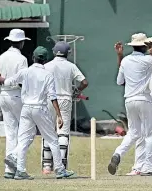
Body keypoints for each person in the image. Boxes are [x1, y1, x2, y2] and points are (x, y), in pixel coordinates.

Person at [0, 46, 75, 180]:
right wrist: (59, 115)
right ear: (45, 60)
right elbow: (52, 96)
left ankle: (20, 169)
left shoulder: (25, 72)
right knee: (52, 139)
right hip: (40, 108)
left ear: (33, 58)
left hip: (26, 108)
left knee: (23, 139)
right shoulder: (47, 75)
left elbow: (8, 82)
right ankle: (59, 169)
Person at [107, 33, 152, 176]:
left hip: (129, 100)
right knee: (150, 134)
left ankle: (118, 153)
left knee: (133, 133)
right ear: (144, 47)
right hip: (144, 99)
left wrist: (120, 56)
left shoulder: (125, 60)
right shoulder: (147, 60)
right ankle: (149, 167)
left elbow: (120, 81)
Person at [41, 41, 88, 174]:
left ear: (54, 52)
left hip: (49, 99)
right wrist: (76, 91)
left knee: (48, 130)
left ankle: (47, 166)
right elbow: (84, 82)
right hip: (65, 99)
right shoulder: (71, 66)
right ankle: (60, 165)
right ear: (68, 53)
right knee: (63, 132)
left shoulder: (46, 66)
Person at [0, 29, 30, 179]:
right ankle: (18, 165)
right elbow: (23, 80)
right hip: (16, 95)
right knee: (26, 131)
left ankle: (9, 170)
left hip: (3, 94)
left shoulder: (2, 57)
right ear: (21, 43)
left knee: (11, 134)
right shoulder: (22, 59)